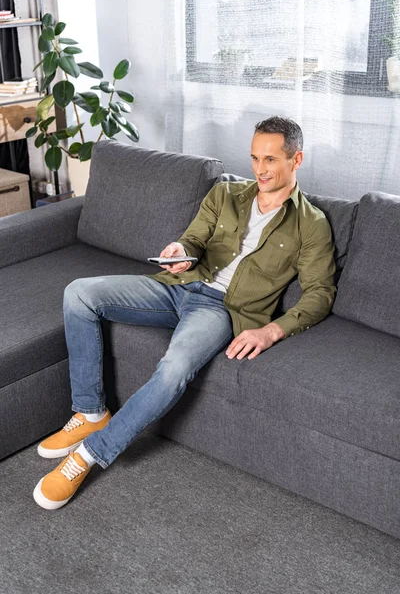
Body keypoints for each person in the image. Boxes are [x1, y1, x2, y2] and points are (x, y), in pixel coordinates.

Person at [33, 116, 336, 510]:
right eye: (254, 158)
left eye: (270, 160)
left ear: (296, 160)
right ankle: (90, 411)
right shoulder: (226, 193)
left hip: (222, 310)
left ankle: (88, 455)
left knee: (174, 368)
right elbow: (194, 237)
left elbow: (319, 294)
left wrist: (271, 331)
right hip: (178, 285)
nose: (259, 170)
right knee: (79, 294)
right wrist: (179, 250)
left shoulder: (311, 224)